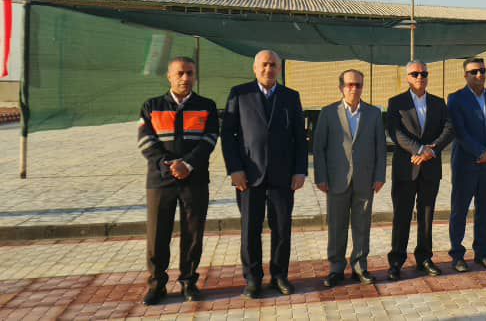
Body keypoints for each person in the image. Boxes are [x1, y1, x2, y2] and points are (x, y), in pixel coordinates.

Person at [221, 50, 308, 298]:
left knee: (282, 228)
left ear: (279, 69)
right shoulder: (239, 94)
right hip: (249, 176)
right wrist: (235, 169)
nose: (268, 69)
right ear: (255, 68)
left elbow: (300, 137)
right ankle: (253, 278)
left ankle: (279, 275)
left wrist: (300, 170)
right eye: (264, 65)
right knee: (250, 229)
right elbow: (228, 135)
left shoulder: (291, 96)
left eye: (273, 65)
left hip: (283, 176)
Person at [138, 56, 219, 305]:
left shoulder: (207, 106)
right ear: (169, 76)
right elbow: (146, 141)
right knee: (157, 234)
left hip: (195, 180)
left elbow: (210, 139)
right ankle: (157, 285)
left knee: (193, 234)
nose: (185, 78)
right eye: (180, 73)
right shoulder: (151, 106)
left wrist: (188, 164)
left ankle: (188, 282)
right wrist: (170, 165)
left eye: (190, 73)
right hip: (160, 180)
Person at [313, 69, 387, 286]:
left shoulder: (373, 114)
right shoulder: (328, 113)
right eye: (349, 85)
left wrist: (380, 175)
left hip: (365, 179)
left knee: (362, 225)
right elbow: (319, 148)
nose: (354, 89)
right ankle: (336, 268)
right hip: (336, 180)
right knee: (337, 226)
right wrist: (321, 177)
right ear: (341, 87)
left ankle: (360, 266)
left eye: (358, 85)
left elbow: (380, 147)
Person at [385, 61, 454, 280]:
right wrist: (419, 149)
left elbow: (449, 128)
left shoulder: (438, 103)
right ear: (407, 77)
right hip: (406, 168)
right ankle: (396, 260)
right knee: (402, 215)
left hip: (430, 168)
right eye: (415, 74)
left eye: (424, 73)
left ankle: (424, 258)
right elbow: (395, 132)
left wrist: (431, 150)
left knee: (426, 215)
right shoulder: (396, 103)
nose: (420, 77)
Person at [447, 57, 486, 272]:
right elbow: (459, 131)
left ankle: (482, 253)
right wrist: (480, 152)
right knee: (460, 211)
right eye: (474, 71)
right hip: (466, 164)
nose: (479, 75)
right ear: (465, 75)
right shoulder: (456, 99)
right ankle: (457, 255)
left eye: (482, 70)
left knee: (484, 211)